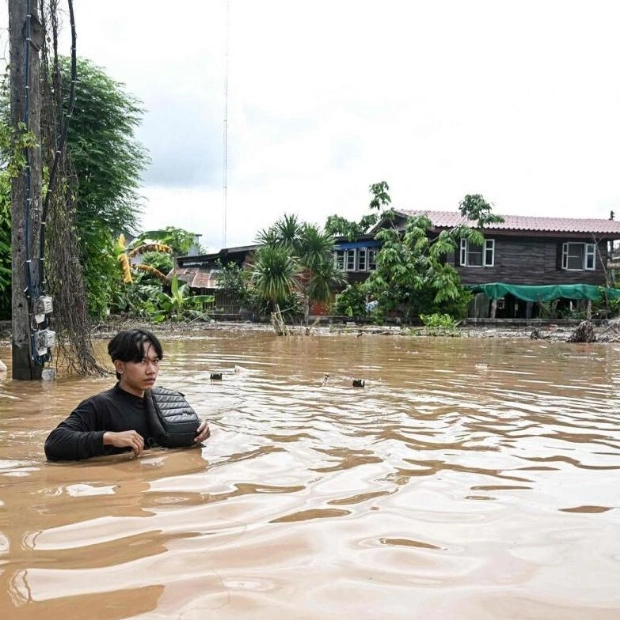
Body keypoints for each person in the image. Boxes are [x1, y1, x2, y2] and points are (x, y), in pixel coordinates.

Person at [44, 329, 210, 461]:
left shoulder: (167, 401)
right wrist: (108, 437)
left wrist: (198, 431)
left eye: (155, 361)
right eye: (142, 361)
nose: (151, 370)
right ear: (120, 367)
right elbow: (54, 443)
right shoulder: (100, 405)